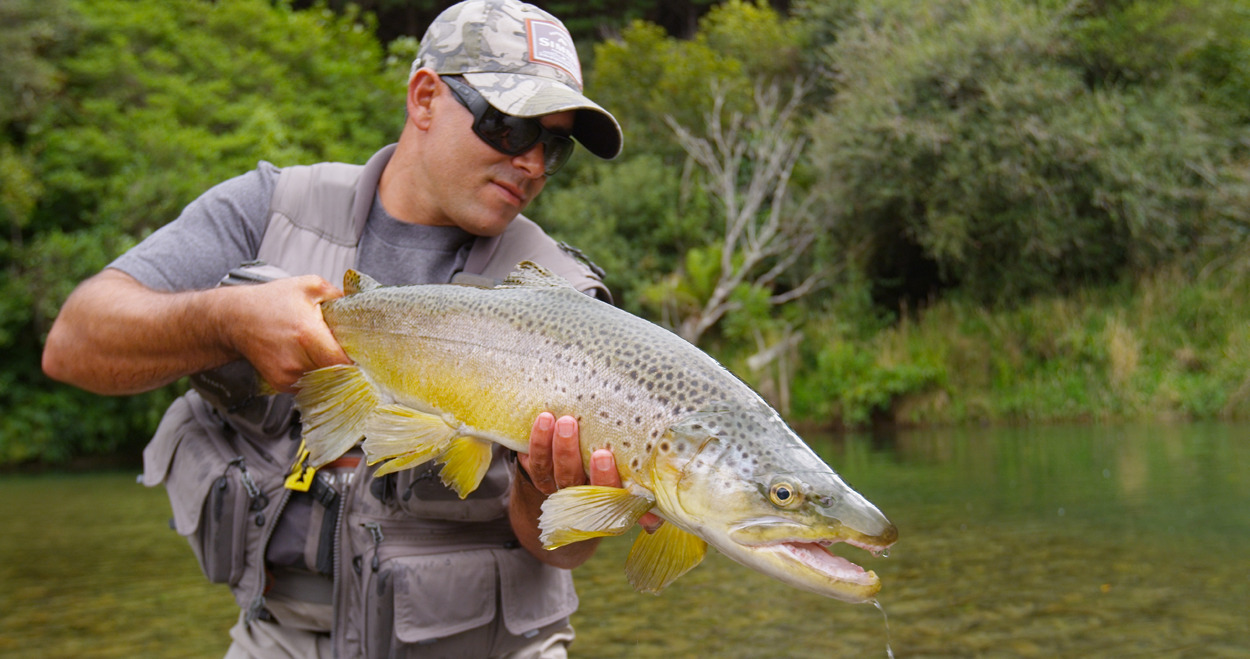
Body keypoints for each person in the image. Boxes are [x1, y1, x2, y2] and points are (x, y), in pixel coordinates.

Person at [42, 1, 652, 656]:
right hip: (277, 641)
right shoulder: (269, 209)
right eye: (510, 127)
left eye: (554, 147)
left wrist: (543, 485)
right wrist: (226, 320)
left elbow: (564, 549)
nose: (531, 164)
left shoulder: (565, 298)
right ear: (425, 98)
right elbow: (73, 345)